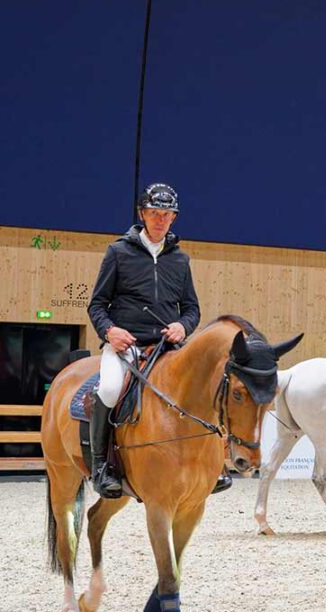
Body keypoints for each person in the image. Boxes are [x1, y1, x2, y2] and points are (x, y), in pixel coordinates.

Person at [87, 183, 231, 497]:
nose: (160, 220)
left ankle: (216, 462)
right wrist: (110, 331)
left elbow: (191, 308)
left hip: (168, 346)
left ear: (174, 218)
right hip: (127, 345)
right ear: (143, 214)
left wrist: (183, 326)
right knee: (110, 389)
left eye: (166, 215)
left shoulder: (180, 260)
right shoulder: (118, 252)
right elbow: (96, 305)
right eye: (154, 214)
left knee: (207, 389)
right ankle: (102, 467)